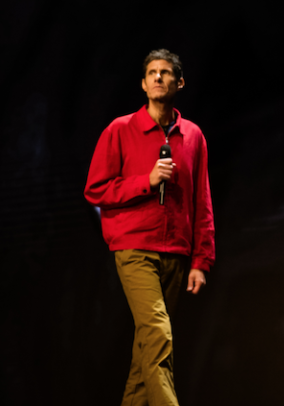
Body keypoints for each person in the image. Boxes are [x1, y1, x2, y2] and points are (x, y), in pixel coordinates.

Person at [85, 49, 215, 406]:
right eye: (152, 73)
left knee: (146, 351)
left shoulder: (193, 136)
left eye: (166, 72)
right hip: (134, 249)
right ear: (143, 84)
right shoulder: (120, 129)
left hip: (176, 252)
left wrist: (201, 261)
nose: (159, 77)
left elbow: (201, 201)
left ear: (180, 82)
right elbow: (95, 189)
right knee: (159, 334)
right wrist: (146, 180)